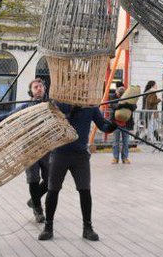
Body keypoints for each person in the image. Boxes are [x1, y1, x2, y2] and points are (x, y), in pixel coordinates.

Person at [41, 101, 117, 241]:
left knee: (85, 190)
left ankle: (87, 228)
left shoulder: (90, 106)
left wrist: (112, 124)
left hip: (80, 154)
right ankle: (48, 226)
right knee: (53, 189)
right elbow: (51, 123)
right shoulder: (58, 103)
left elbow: (102, 125)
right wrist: (70, 113)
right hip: (60, 152)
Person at [0, 78, 50, 222]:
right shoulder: (25, 107)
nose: (39, 89)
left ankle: (34, 200)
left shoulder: (50, 105)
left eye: (41, 86)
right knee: (33, 179)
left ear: (45, 89)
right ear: (31, 92)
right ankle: (38, 210)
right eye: (36, 87)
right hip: (29, 148)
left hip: (47, 148)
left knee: (50, 179)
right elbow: (9, 117)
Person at [111, 80, 142, 165]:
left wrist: (125, 104)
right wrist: (122, 104)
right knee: (115, 141)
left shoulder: (129, 96)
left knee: (126, 141)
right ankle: (115, 158)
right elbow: (113, 106)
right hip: (115, 123)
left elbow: (134, 106)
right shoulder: (113, 96)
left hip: (126, 123)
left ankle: (125, 158)